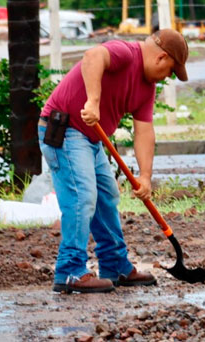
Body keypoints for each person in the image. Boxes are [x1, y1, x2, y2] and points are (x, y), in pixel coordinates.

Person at [38, 29, 189, 293]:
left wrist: (145, 176)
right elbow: (92, 56)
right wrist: (93, 101)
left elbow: (144, 131)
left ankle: (114, 264)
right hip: (65, 129)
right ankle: (70, 271)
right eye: (170, 71)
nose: (168, 77)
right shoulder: (126, 54)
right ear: (161, 57)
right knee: (82, 196)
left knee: (107, 197)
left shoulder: (147, 87)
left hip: (92, 139)